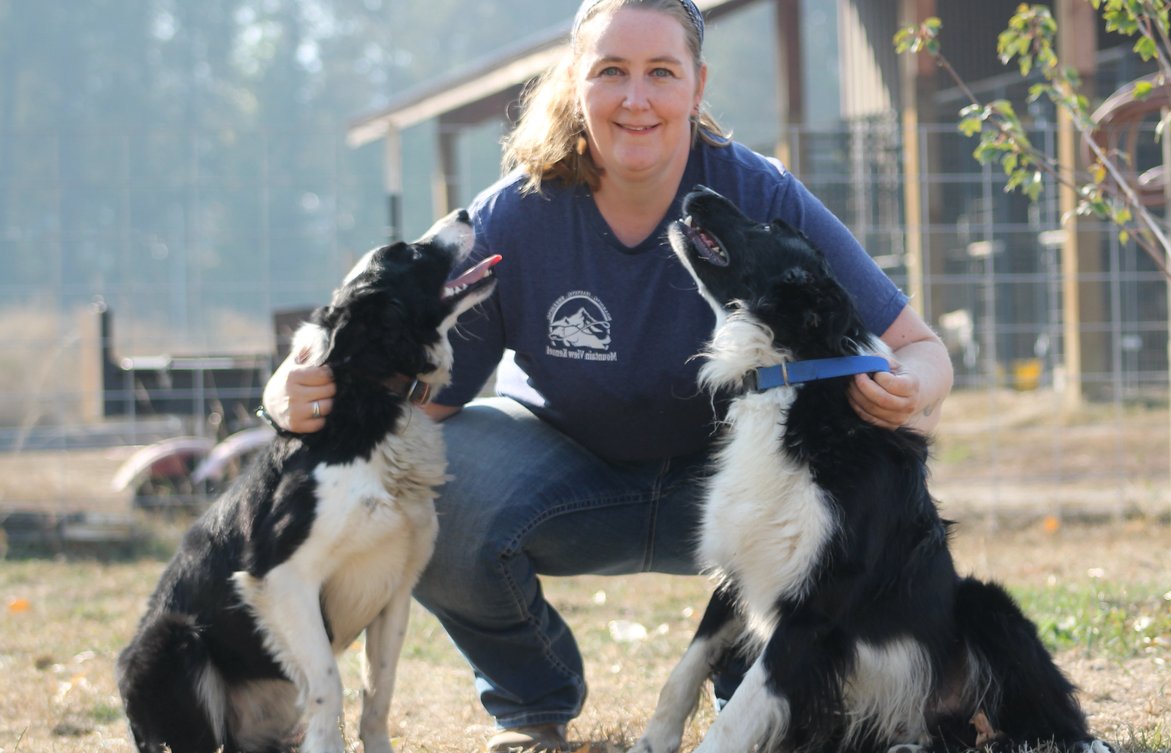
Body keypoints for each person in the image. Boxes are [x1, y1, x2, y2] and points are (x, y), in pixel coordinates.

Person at [261, 0, 954, 750]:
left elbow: (923, 349)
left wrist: (912, 386)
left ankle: (753, 692)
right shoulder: (516, 214)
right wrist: (283, 396)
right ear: (576, 81)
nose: (636, 99)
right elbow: (393, 393)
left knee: (849, 490)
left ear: (697, 83)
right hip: (567, 481)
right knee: (438, 477)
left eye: (662, 72)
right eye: (611, 72)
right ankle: (533, 706)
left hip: (733, 489)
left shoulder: (759, 196)